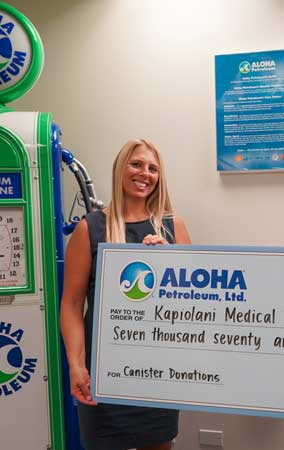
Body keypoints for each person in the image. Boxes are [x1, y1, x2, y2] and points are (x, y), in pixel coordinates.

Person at [60, 139, 191, 450]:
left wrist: (170, 261)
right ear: (121, 168)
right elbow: (72, 303)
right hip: (104, 372)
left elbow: (191, 304)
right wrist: (76, 365)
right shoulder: (89, 228)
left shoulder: (173, 228)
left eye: (152, 168)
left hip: (158, 374)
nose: (144, 173)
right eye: (136, 164)